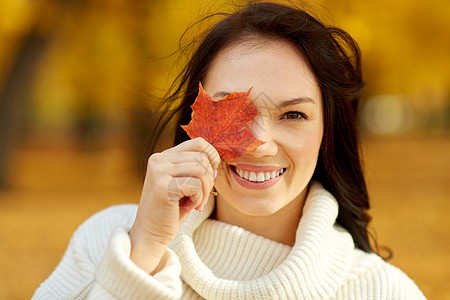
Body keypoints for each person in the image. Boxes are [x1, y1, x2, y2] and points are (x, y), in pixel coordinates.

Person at [33, 1, 425, 299]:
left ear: (329, 129)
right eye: (235, 111)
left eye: (293, 115)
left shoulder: (381, 290)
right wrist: (143, 251)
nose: (259, 144)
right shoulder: (107, 240)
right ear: (196, 118)